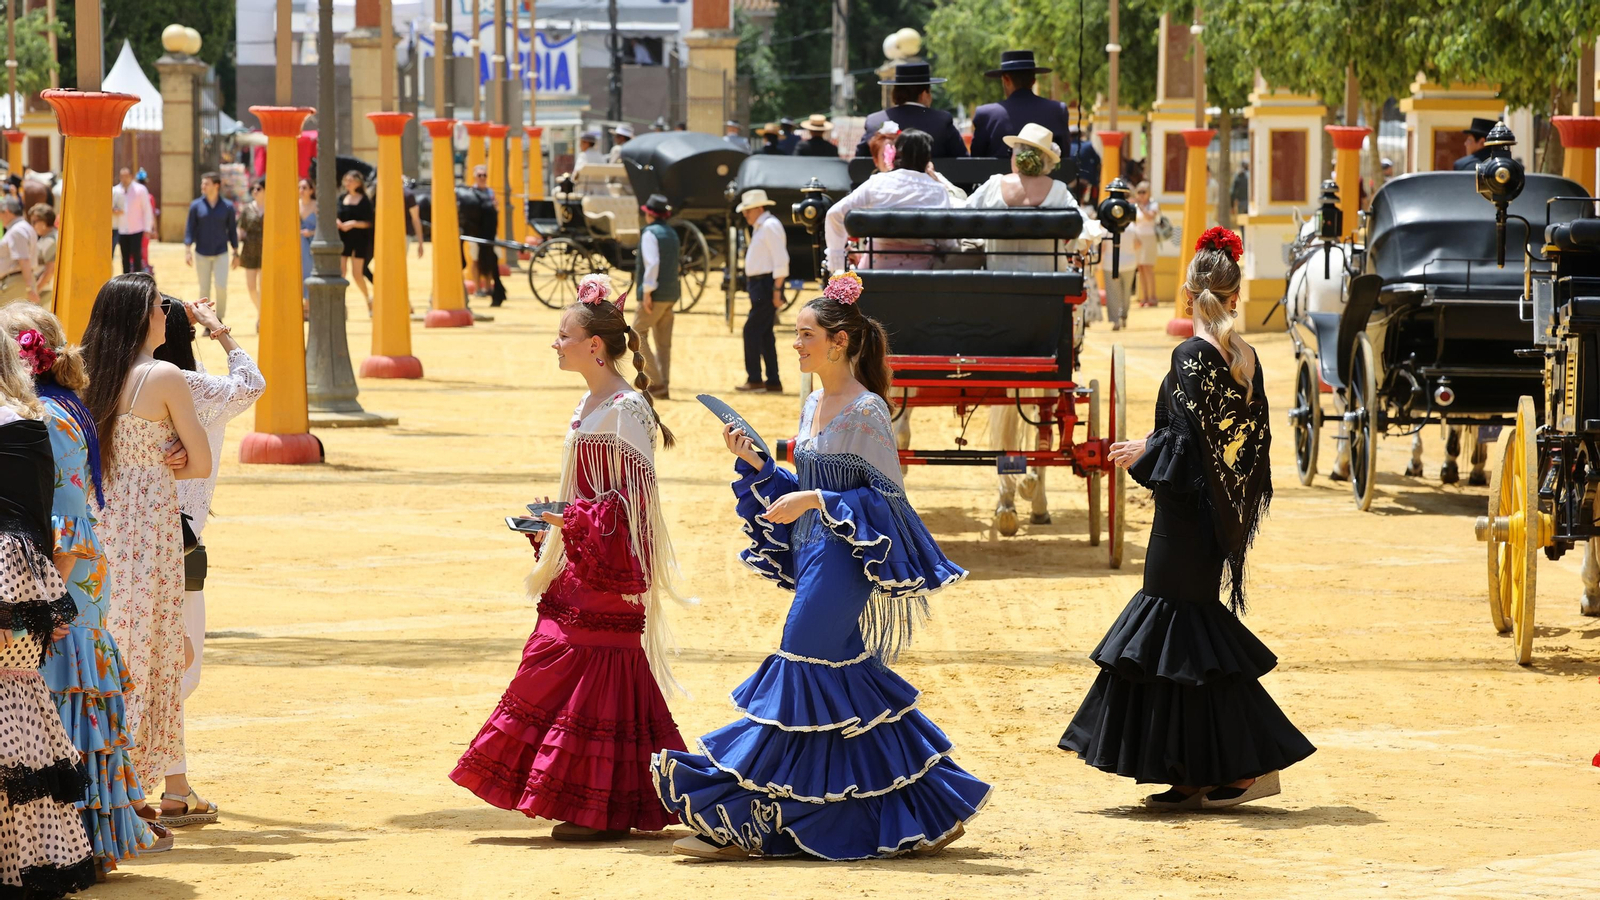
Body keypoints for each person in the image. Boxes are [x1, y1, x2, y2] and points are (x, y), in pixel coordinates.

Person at [652, 274, 989, 860]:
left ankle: (750, 808)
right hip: (811, 551)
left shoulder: (867, 411)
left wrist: (813, 501)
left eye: (805, 335)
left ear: (839, 342)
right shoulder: (812, 402)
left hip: (843, 561)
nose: (796, 344)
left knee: (800, 663)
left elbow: (889, 501)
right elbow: (808, 482)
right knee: (839, 682)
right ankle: (924, 803)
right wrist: (761, 465)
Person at [1059, 228, 1314, 810]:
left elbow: (1190, 442)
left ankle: (1248, 766)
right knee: (1183, 638)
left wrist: (1150, 449)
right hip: (1211, 516)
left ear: (1187, 293)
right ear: (1234, 294)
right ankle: (1196, 771)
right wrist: (1147, 443)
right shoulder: (1243, 355)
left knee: (1175, 630)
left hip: (1185, 518)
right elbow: (1226, 441)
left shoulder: (1191, 355)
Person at [450, 274, 689, 841]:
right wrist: (557, 517)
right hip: (582, 560)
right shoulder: (590, 402)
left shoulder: (627, 408)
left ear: (595, 346)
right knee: (561, 659)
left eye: (564, 334)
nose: (555, 343)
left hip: (610, 565)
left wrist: (571, 520)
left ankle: (598, 808)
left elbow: (635, 507)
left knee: (575, 662)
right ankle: (601, 804)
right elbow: (594, 490)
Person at [0, 303, 168, 872]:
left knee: (58, 706)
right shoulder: (66, 406)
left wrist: (45, 593)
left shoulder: (39, 416)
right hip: (80, 572)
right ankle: (93, 840)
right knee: (82, 703)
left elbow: (62, 522)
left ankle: (74, 843)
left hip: (60, 576)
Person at [80, 273, 214, 810]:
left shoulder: (88, 375)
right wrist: (171, 455)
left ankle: (125, 786)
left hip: (97, 524)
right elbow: (199, 461)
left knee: (112, 648)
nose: (167, 315)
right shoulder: (164, 376)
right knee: (153, 651)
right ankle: (131, 796)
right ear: (141, 317)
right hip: (149, 530)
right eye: (160, 307)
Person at [151, 294, 262, 829]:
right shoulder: (191, 388)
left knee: (160, 663)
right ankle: (160, 782)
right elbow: (252, 383)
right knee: (179, 670)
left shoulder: (114, 383)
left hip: (118, 536)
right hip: (178, 536)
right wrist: (219, 328)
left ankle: (173, 785)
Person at [0, 330, 98, 896]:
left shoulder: (23, 423)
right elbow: (36, 514)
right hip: (18, 567)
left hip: (12, 566)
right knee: (18, 708)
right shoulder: (28, 422)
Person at [826, 129, 957, 272]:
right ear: (927, 158)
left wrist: (837, 264)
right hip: (923, 274)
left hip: (873, 271)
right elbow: (947, 242)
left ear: (896, 154)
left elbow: (834, 213)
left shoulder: (877, 182)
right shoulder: (937, 190)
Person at [968, 50, 1070, 160]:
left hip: (999, 177)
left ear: (1006, 79)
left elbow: (976, 163)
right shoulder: (1057, 110)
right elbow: (1064, 159)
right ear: (1033, 81)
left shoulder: (986, 115)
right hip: (1048, 177)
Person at [853, 63, 968, 160]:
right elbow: (963, 162)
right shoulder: (942, 121)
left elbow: (858, 164)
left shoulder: (874, 121)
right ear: (924, 94)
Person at [734, 189, 788, 394]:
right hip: (760, 285)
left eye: (748, 210)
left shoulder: (769, 226)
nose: (745, 214)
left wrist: (777, 290)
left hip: (765, 285)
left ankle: (755, 378)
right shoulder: (762, 226)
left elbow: (781, 261)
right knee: (765, 333)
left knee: (751, 330)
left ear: (758, 208)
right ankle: (772, 380)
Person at [633, 194, 678, 400]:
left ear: (649, 214)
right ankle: (663, 383)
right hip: (671, 294)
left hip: (656, 293)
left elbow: (652, 264)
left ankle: (656, 382)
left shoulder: (650, 233)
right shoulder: (671, 233)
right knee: (663, 341)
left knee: (637, 334)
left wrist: (647, 292)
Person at [183, 172, 238, 319]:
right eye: (202, 183)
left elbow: (232, 231)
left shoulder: (228, 206)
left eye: (206, 183)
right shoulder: (196, 206)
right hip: (201, 253)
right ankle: (207, 320)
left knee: (221, 287)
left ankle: (219, 319)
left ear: (216, 185)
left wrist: (236, 253)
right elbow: (190, 229)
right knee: (204, 290)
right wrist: (187, 250)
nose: (203, 186)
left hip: (221, 253)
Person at [460, 165, 506, 306]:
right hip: (475, 233)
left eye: (484, 175)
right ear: (474, 176)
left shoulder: (490, 192)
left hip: (489, 232)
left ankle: (488, 287)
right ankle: (478, 288)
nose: (482, 178)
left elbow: (495, 209)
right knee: (475, 259)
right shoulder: (470, 193)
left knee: (491, 259)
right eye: (479, 175)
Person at [336, 171, 375, 311]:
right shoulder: (341, 198)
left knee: (357, 274)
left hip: (359, 239)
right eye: (346, 180)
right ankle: (341, 304)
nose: (348, 183)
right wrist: (338, 222)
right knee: (341, 273)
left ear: (358, 182)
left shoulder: (365, 200)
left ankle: (368, 298)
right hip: (343, 238)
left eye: (351, 180)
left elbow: (369, 222)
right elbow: (336, 215)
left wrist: (352, 224)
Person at [112, 167, 154, 275]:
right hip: (121, 228)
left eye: (126, 176)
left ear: (131, 176)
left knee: (137, 256)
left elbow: (147, 210)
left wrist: (147, 228)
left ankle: (138, 280)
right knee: (124, 257)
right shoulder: (115, 190)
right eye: (122, 177)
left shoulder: (140, 190)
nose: (124, 179)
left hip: (136, 228)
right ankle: (126, 280)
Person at [0, 196, 37, 305]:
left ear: (7, 211)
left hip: (16, 283)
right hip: (19, 282)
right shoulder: (23, 227)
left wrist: (29, 288)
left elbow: (24, 259)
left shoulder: (17, 230)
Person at [238, 179, 266, 323]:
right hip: (249, 251)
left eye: (259, 188)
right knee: (251, 287)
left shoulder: (271, 208)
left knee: (263, 286)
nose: (255, 191)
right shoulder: (247, 209)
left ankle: (261, 318)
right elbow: (241, 229)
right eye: (253, 189)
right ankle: (261, 312)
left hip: (266, 253)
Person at [1132, 181, 1160, 307]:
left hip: (1149, 237)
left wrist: (1141, 207)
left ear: (1149, 193)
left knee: (1148, 268)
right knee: (1141, 268)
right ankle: (1144, 297)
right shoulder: (1134, 206)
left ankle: (1153, 297)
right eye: (1139, 192)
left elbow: (1150, 217)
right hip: (1138, 238)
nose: (1141, 195)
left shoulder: (1153, 204)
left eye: (1144, 192)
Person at [30, 204, 57, 309]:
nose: (33, 226)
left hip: (45, 291)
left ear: (44, 221)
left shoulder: (50, 241)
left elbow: (49, 271)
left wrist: (34, 292)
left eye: (34, 222)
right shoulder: (46, 237)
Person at [298, 178, 317, 303]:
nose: (301, 190)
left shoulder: (316, 205)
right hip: (299, 244)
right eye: (299, 187)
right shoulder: (295, 204)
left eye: (304, 188)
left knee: (311, 272)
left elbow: (325, 227)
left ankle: (310, 304)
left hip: (313, 243)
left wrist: (311, 232)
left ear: (311, 190)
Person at [403, 177, 425, 260]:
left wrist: (420, 243)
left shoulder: (407, 195)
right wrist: (420, 243)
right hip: (404, 234)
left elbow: (415, 219)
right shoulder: (408, 194)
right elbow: (416, 219)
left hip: (404, 234)